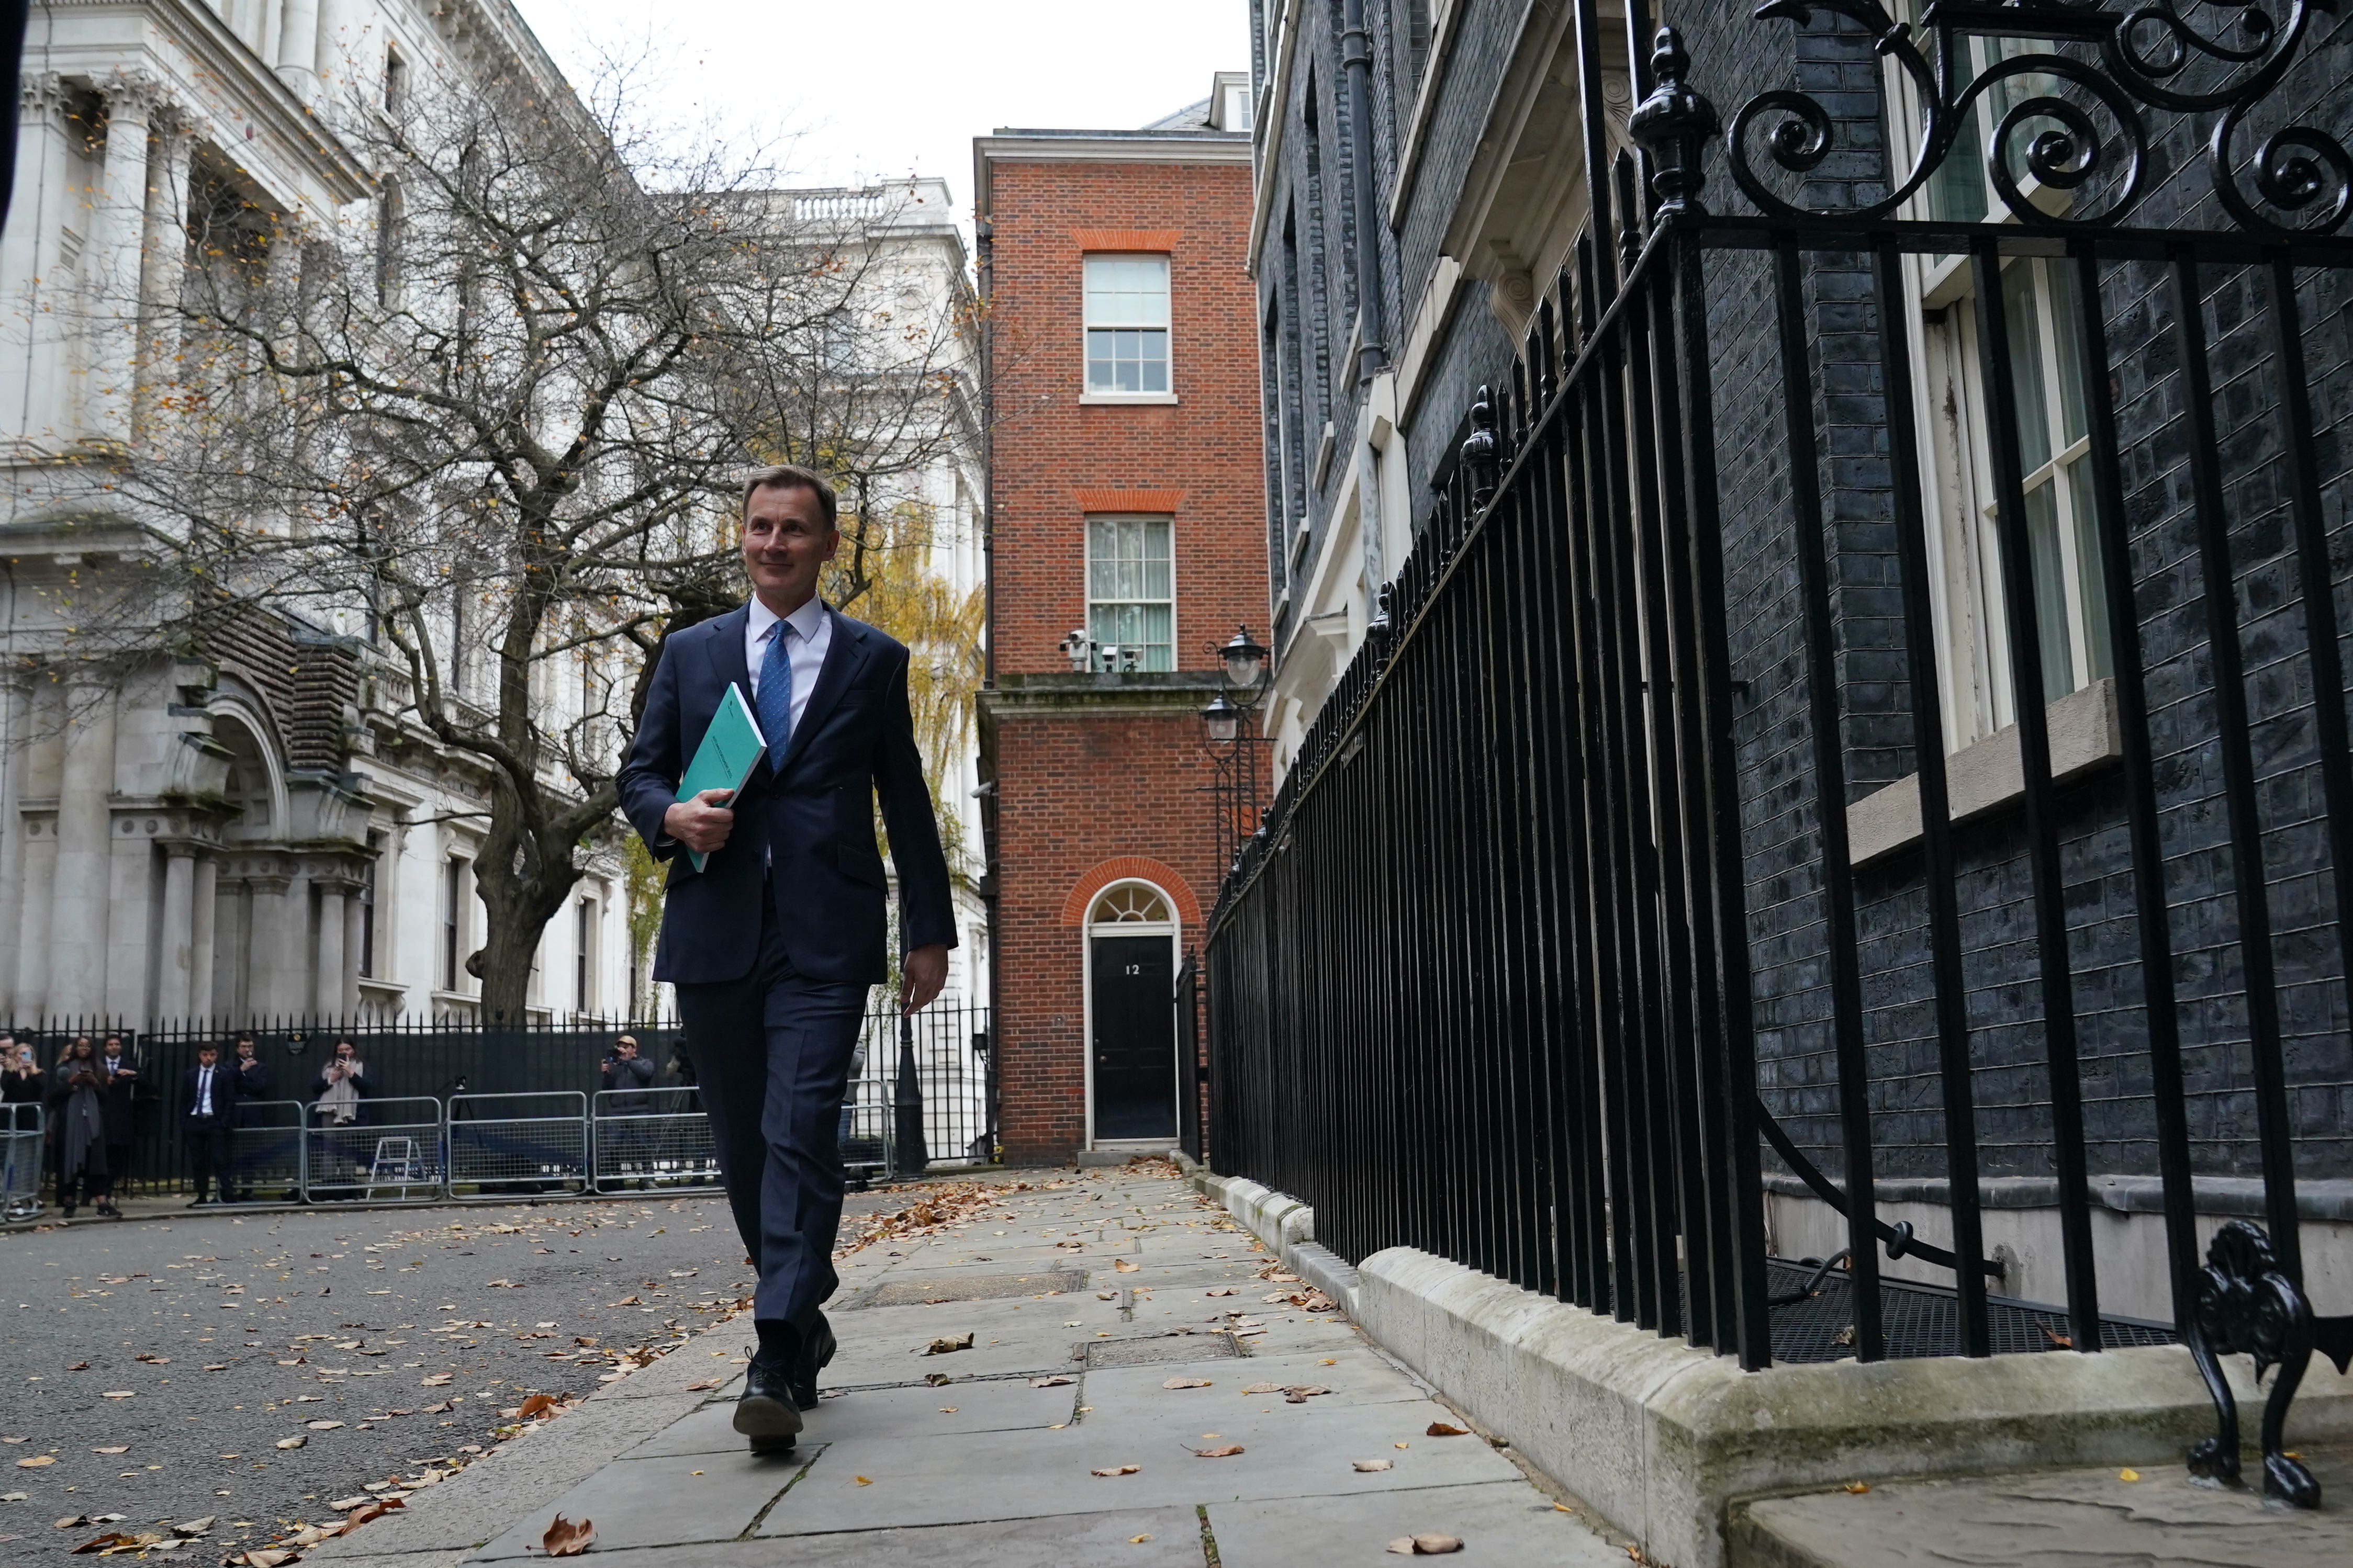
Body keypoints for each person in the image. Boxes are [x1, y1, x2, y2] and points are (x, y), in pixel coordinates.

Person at [618, 463, 954, 1454]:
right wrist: (669, 814)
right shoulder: (692, 652)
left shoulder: (871, 660)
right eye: (760, 527)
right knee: (746, 1149)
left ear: (827, 544)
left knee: (803, 1124)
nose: (773, 544)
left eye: (794, 530)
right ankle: (804, 1312)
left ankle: (770, 1351)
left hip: (825, 934)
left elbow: (905, 799)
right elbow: (640, 772)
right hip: (716, 928)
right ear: (744, 537)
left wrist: (925, 930)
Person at [46, 1037, 110, 1217]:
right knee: (68, 1161)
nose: (84, 1048)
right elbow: (52, 1098)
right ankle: (69, 1202)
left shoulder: (100, 1069)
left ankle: (102, 1203)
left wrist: (94, 1082)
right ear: (75, 1048)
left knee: (96, 1163)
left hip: (92, 1123)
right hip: (69, 1123)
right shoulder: (63, 1069)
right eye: (80, 1046)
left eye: (88, 1046)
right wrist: (72, 1082)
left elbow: (106, 1098)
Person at [600, 1035, 656, 1187]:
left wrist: (628, 1061)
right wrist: (607, 1073)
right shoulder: (615, 1066)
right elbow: (606, 1089)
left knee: (644, 1145)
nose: (623, 1049)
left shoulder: (645, 1063)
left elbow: (646, 1074)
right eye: (620, 1046)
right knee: (612, 1146)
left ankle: (648, 1179)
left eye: (626, 1047)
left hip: (639, 1110)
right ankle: (616, 1181)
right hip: (618, 1111)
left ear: (634, 1049)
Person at [181, 1043, 232, 1206]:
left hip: (213, 1120)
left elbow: (229, 1100)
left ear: (216, 1056)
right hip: (195, 1120)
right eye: (205, 1055)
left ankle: (227, 1193)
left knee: (219, 1159)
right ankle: (202, 1195)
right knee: (198, 1161)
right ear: (199, 1055)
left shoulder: (223, 1074)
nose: (208, 1058)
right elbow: (184, 1099)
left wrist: (223, 1122)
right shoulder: (191, 1075)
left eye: (212, 1055)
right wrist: (185, 1121)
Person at [227, 1033, 273, 1202]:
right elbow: (227, 1084)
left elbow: (259, 1087)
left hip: (252, 1115)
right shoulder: (230, 1066)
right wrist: (241, 1071)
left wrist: (240, 1082)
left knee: (250, 1154)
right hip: (234, 1115)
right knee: (231, 1153)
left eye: (250, 1046)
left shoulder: (260, 1067)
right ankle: (229, 1188)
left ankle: (248, 1189)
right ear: (237, 1048)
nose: (247, 1050)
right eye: (244, 1046)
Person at [97, 1037, 138, 1217]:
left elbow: (145, 1084)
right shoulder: (98, 1064)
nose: (114, 1047)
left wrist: (132, 1074)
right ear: (105, 1047)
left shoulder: (129, 1065)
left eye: (117, 1044)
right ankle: (98, 1196)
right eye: (111, 1044)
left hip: (122, 1117)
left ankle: (106, 1193)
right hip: (102, 1114)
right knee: (100, 1158)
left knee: (117, 1159)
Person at [311, 1039, 371, 1125]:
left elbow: (367, 1086)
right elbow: (315, 1087)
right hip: (330, 1112)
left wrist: (351, 1072)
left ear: (354, 1050)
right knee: (329, 1137)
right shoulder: (328, 1066)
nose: (345, 1053)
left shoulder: (361, 1066)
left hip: (354, 1112)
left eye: (347, 1049)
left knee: (351, 1137)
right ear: (336, 1051)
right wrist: (331, 1079)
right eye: (341, 1050)